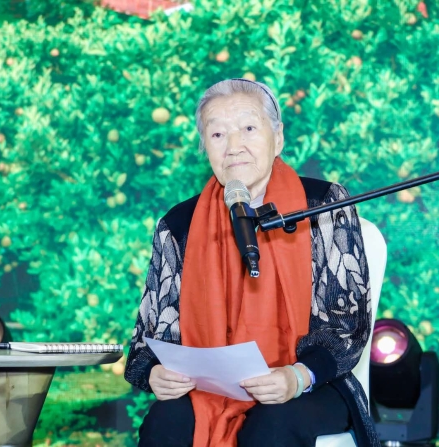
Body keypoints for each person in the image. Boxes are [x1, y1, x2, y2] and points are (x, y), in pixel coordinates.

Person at [125, 78, 380, 447]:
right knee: (165, 421)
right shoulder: (178, 225)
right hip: (208, 390)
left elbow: (347, 323)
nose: (234, 146)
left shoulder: (323, 204)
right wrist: (154, 373)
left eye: (248, 128)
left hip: (311, 383)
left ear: (278, 138)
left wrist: (298, 376)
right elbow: (149, 338)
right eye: (217, 134)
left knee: (272, 424)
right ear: (205, 148)